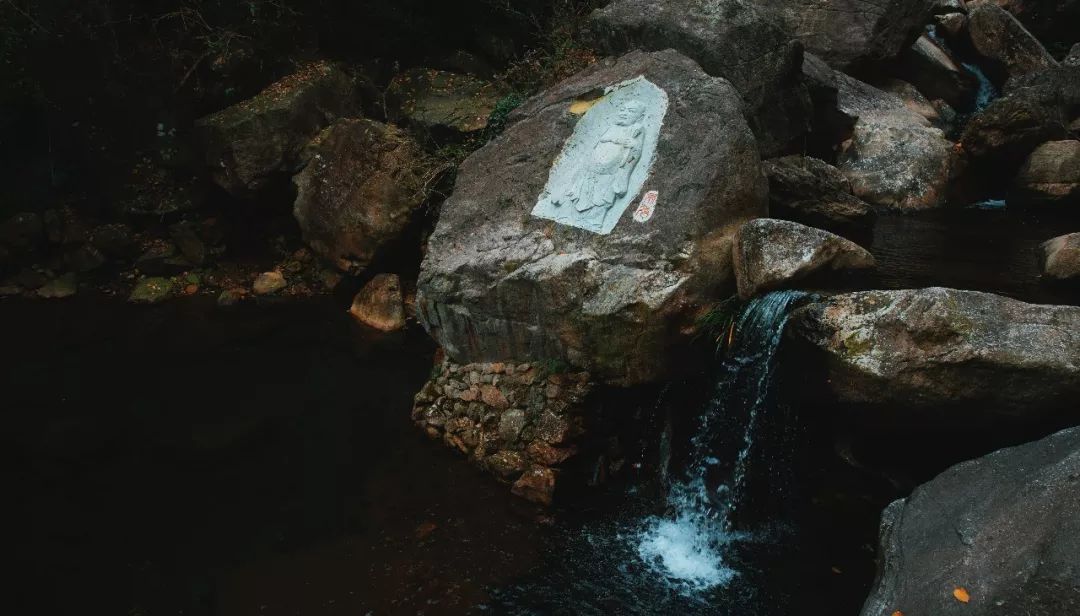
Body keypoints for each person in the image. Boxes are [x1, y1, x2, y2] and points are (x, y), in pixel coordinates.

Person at [552, 99, 646, 230]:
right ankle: (570, 216)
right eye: (623, 110)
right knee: (580, 194)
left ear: (639, 117)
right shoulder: (611, 127)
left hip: (608, 176)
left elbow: (635, 154)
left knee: (600, 200)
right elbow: (594, 146)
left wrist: (632, 146)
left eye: (630, 111)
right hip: (589, 171)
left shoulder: (636, 131)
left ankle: (595, 222)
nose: (624, 113)